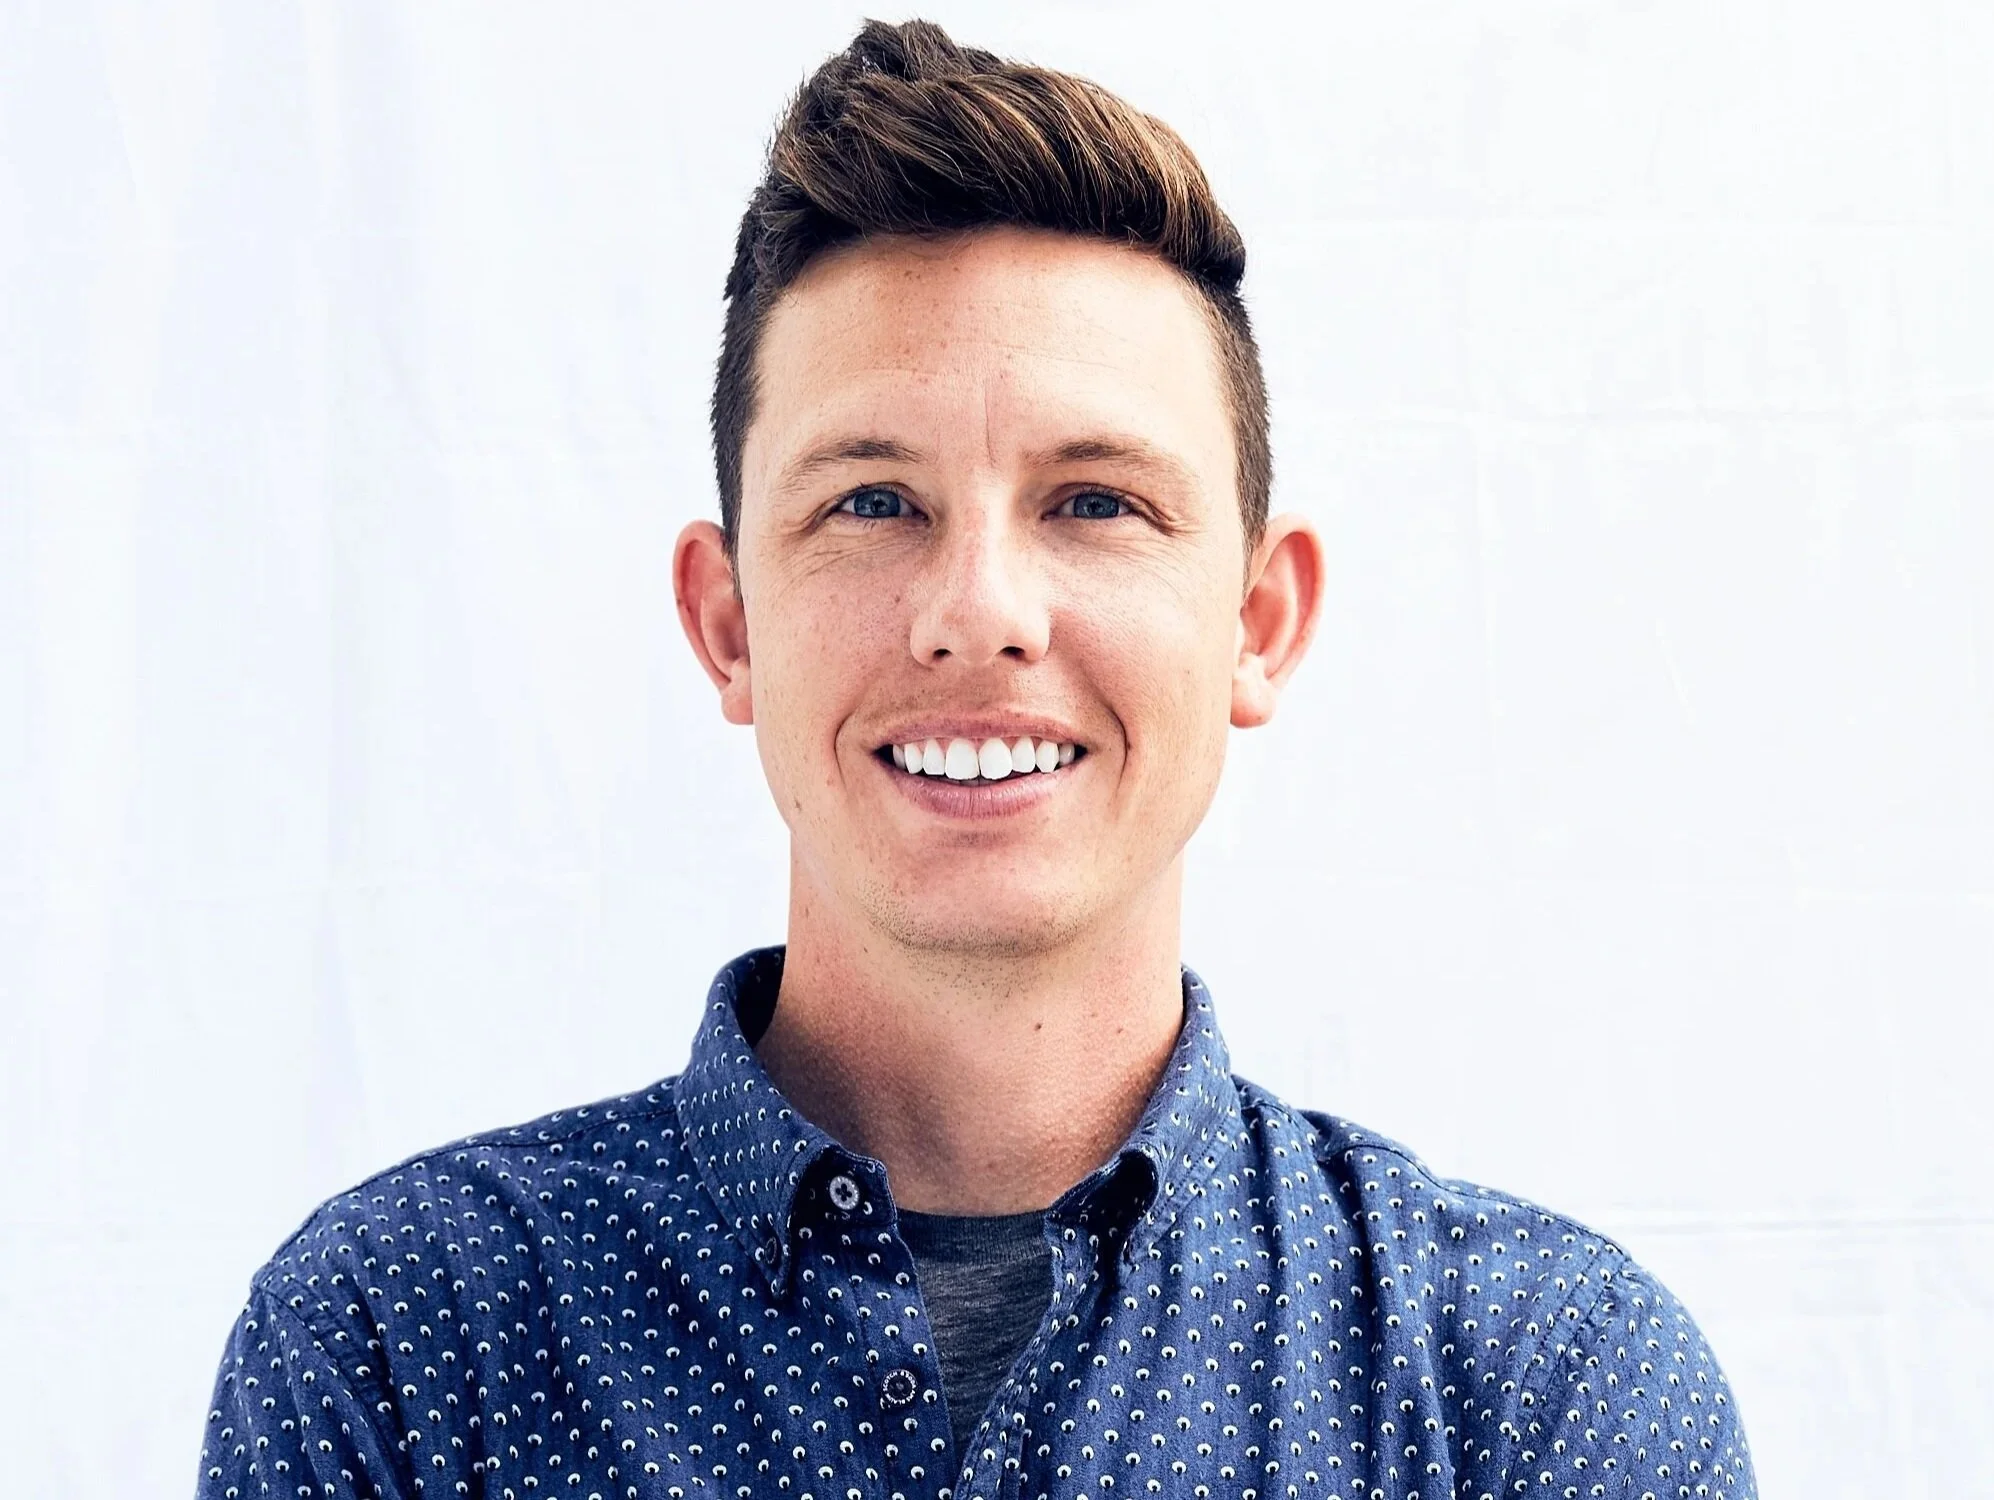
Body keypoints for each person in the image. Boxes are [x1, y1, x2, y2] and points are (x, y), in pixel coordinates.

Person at [197, 19, 1756, 1499]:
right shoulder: (405, 1349)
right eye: (873, 502)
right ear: (729, 622)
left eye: (1095, 502)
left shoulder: (1542, 1387)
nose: (979, 613)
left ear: (1257, 623)